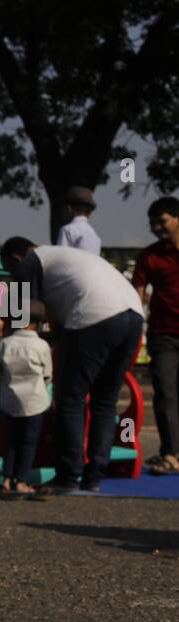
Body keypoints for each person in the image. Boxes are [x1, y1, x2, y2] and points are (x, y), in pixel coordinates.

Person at [0, 238, 144, 494]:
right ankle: (94, 476)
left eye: (9, 270)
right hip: (133, 314)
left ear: (15, 259)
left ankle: (68, 476)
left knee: (71, 398)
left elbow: (19, 321)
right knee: (104, 400)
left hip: (95, 314)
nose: (13, 277)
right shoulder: (62, 259)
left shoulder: (27, 265)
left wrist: (0, 350)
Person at [0, 316, 53, 496]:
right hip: (35, 401)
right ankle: (22, 481)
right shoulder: (42, 345)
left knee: (11, 441)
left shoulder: (4, 344)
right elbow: (48, 375)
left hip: (10, 401)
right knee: (28, 442)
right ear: (36, 324)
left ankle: (7, 479)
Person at [132, 196, 179, 475]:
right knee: (166, 393)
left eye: (161, 221)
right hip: (164, 334)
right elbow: (137, 294)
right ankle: (171, 454)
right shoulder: (148, 256)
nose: (156, 227)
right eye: (152, 223)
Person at [55, 187, 102, 256]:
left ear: (69, 209)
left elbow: (60, 258)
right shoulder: (95, 236)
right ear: (90, 214)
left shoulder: (67, 230)